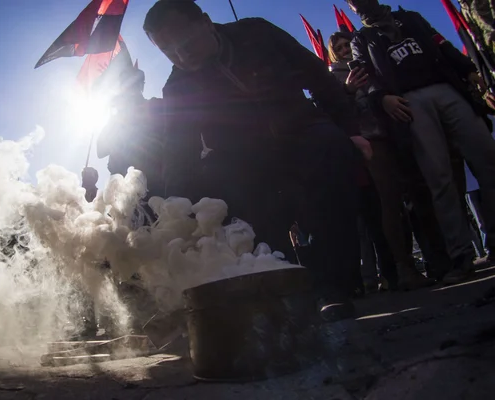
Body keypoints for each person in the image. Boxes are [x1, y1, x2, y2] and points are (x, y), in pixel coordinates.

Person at [143, 0, 373, 321]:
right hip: (245, 156)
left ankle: (332, 285)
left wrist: (350, 131)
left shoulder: (257, 32)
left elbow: (316, 75)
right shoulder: (178, 87)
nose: (181, 55)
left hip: (302, 130)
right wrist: (175, 213)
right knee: (241, 202)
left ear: (207, 22)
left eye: (186, 42)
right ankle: (280, 289)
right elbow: (178, 153)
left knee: (331, 152)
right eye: (168, 50)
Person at [347, 0, 495, 284]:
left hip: (446, 89)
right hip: (409, 102)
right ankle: (461, 255)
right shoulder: (361, 38)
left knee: (488, 159)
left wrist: (467, 69)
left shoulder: (411, 18)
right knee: (439, 178)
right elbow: (365, 76)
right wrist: (382, 97)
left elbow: (441, 44)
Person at [327, 31, 433, 290]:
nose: (344, 51)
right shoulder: (333, 78)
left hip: (394, 136)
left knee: (411, 202)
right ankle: (401, 268)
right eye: (338, 48)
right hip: (370, 143)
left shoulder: (370, 63)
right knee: (389, 205)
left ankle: (424, 262)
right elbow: (334, 112)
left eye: (346, 45)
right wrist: (348, 91)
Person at [97, 66, 165, 198]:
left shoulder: (155, 106)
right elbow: (101, 150)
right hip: (122, 190)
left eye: (133, 83)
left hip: (153, 186)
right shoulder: (116, 118)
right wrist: (114, 118)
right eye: (126, 84)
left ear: (140, 86)